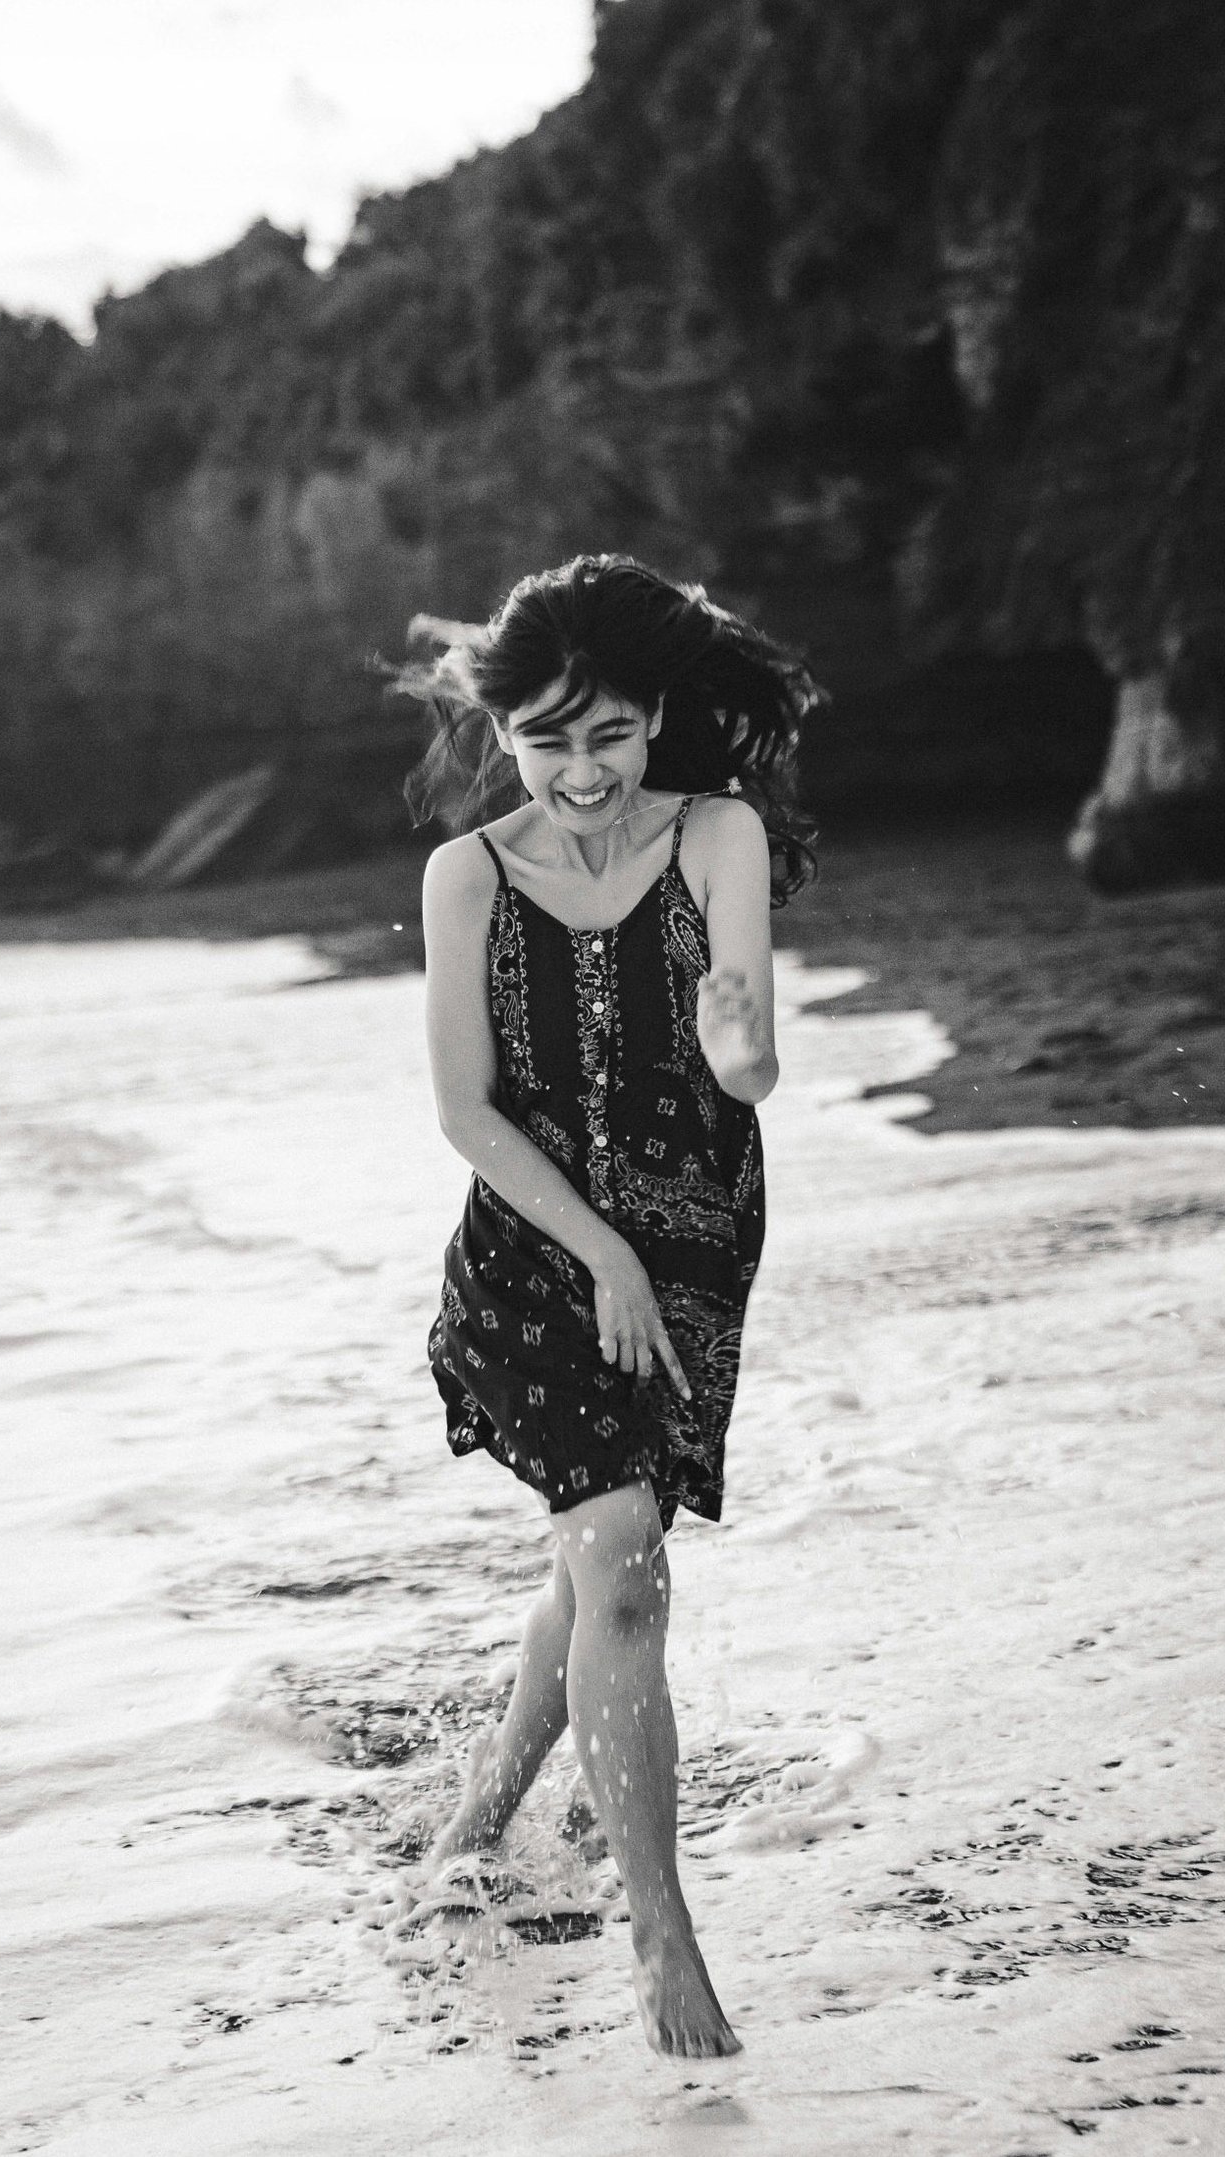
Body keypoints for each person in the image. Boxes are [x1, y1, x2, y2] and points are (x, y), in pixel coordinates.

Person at [407, 553, 819, 2057]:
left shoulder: (719, 833)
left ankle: (472, 1822)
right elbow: (466, 1111)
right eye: (546, 740)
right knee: (625, 1564)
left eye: (612, 735)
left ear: (655, 718)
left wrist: (737, 1041)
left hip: (695, 1241)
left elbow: (748, 1072)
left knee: (600, 1569)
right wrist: (603, 1254)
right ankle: (663, 1942)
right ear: (501, 732)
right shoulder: (468, 876)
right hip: (536, 1249)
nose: (582, 773)